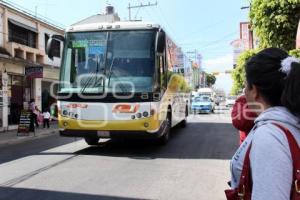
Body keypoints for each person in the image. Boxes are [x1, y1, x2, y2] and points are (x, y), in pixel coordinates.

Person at [229, 48, 300, 199]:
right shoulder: (290, 123)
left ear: (254, 90)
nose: (244, 93)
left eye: (245, 86)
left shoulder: (270, 136)